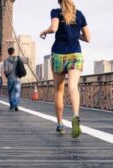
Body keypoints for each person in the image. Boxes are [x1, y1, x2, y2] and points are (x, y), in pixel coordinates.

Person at [40, 0, 90, 138]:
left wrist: (44, 32)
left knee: (59, 90)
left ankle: (60, 124)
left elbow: (54, 28)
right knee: (73, 87)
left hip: (59, 55)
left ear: (59, 1)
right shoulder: (79, 15)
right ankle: (75, 117)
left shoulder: (56, 12)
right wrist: (75, 34)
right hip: (75, 54)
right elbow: (88, 38)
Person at [4, 47, 21, 112]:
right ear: (14, 52)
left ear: (8, 52)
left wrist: (7, 75)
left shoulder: (6, 60)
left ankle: (12, 105)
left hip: (10, 78)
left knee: (10, 92)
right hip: (17, 78)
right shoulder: (18, 59)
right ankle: (16, 105)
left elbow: (5, 71)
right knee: (17, 92)